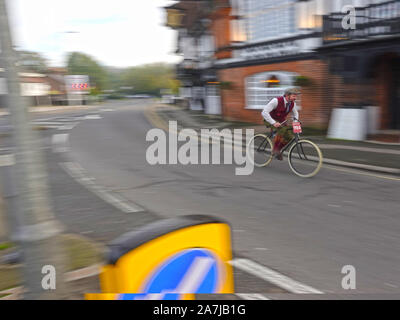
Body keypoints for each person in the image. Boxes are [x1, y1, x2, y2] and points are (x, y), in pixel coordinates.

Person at [261, 88, 300, 160]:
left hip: (281, 121)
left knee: (289, 136)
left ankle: (278, 150)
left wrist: (295, 122)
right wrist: (273, 122)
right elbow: (264, 112)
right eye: (294, 96)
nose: (295, 98)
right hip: (270, 119)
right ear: (287, 95)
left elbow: (295, 114)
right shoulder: (276, 101)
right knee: (282, 130)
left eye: (296, 96)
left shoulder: (292, 104)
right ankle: (275, 150)